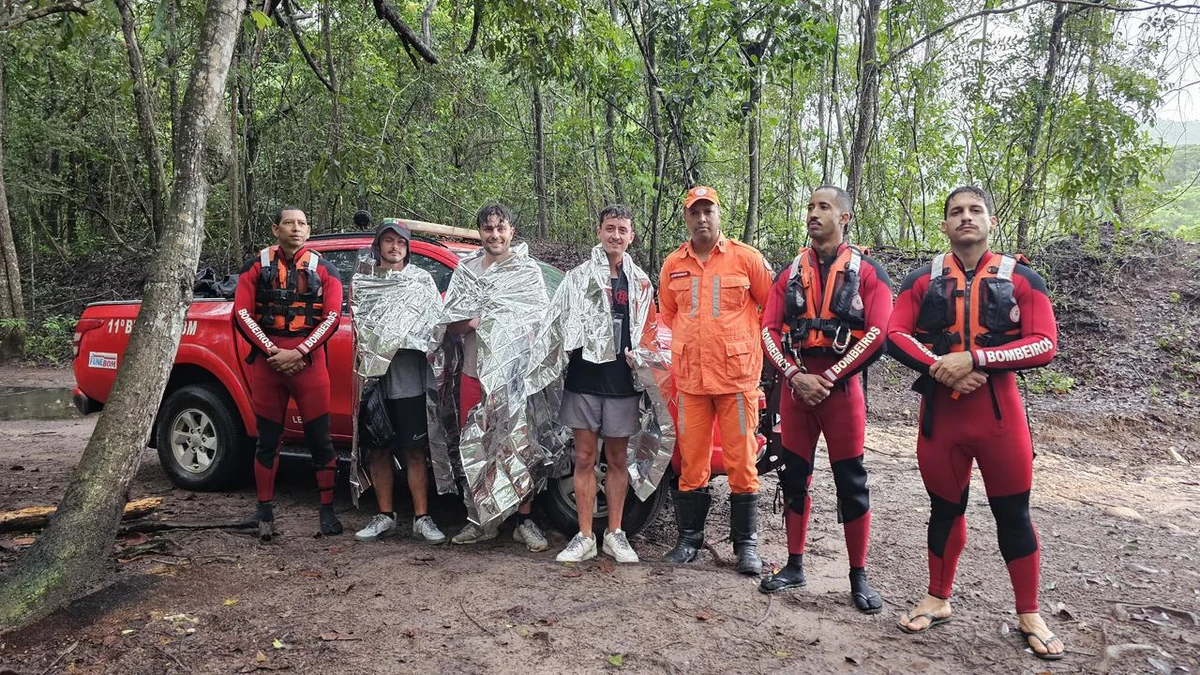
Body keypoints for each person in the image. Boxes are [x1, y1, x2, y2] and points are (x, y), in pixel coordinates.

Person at [887, 186, 1064, 661]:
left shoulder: (1023, 278)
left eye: (975, 210)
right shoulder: (920, 280)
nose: (966, 218)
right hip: (941, 419)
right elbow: (894, 335)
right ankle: (937, 597)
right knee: (945, 510)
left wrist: (977, 357)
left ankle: (1028, 612)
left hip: (1000, 419)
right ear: (944, 225)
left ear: (990, 220)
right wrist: (942, 366)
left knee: (1014, 515)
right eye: (956, 212)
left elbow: (1044, 343)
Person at [759, 186, 892, 613]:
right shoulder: (789, 271)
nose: (814, 214)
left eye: (824, 207)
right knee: (794, 476)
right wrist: (795, 375)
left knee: (851, 482)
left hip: (842, 391)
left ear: (845, 217)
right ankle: (794, 564)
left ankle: (858, 575)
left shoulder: (869, 272)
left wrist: (830, 376)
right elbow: (768, 328)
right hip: (797, 390)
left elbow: (879, 333)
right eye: (811, 207)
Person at [657, 186, 772, 574]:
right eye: (694, 212)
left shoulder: (746, 259)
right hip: (690, 381)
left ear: (719, 215)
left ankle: (747, 547)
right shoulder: (673, 264)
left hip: (737, 380)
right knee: (692, 462)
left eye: (708, 211)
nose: (702, 219)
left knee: (741, 463)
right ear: (686, 218)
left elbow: (769, 309)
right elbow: (669, 315)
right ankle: (688, 540)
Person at [553, 205, 657, 564]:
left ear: (631, 236)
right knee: (583, 457)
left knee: (616, 458)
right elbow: (558, 324)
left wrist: (643, 358)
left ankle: (615, 533)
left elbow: (650, 332)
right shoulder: (577, 278)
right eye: (609, 228)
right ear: (598, 232)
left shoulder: (641, 283)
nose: (615, 235)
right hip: (583, 379)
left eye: (622, 230)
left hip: (622, 383)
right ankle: (584, 536)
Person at [233, 206, 344, 541]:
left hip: (308, 364)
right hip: (269, 365)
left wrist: (298, 351)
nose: (295, 229)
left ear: (309, 231)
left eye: (302, 224)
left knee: (321, 441)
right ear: (275, 229)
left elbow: (333, 317)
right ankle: (264, 511)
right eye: (289, 223)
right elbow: (241, 313)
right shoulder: (254, 268)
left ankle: (327, 511)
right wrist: (272, 351)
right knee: (267, 441)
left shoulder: (326, 270)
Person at [446, 203, 549, 552]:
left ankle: (523, 521)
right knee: (476, 444)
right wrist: (472, 321)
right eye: (488, 228)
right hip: (474, 371)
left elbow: (540, 322)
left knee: (517, 443)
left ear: (511, 231)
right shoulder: (466, 271)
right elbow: (451, 324)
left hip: (514, 373)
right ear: (480, 232)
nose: (495, 234)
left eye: (500, 227)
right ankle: (481, 521)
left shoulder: (527, 271)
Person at [353, 220, 447, 544]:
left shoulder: (421, 282)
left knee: (414, 450)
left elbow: (436, 326)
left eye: (401, 243)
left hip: (410, 379)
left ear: (407, 249)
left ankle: (422, 518)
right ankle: (384, 516)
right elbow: (360, 328)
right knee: (377, 449)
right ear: (378, 245)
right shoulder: (363, 283)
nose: (395, 247)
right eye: (388, 241)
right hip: (375, 380)